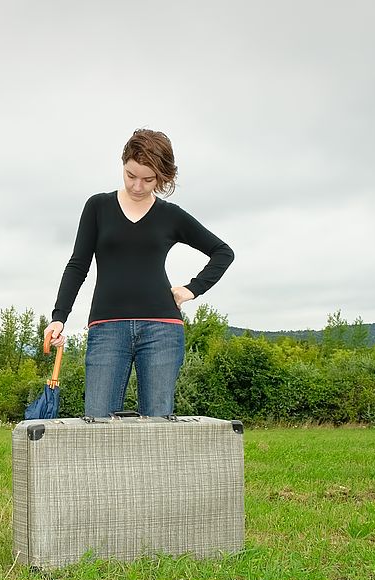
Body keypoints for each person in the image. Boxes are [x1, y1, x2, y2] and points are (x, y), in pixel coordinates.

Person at [44, 128, 234, 418]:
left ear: (162, 177)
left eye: (148, 179)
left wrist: (191, 289)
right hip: (106, 329)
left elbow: (223, 252)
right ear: (123, 164)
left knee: (157, 430)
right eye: (131, 175)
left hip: (162, 329)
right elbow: (78, 264)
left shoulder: (171, 215)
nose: (137, 185)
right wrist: (59, 317)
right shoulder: (98, 206)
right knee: (97, 423)